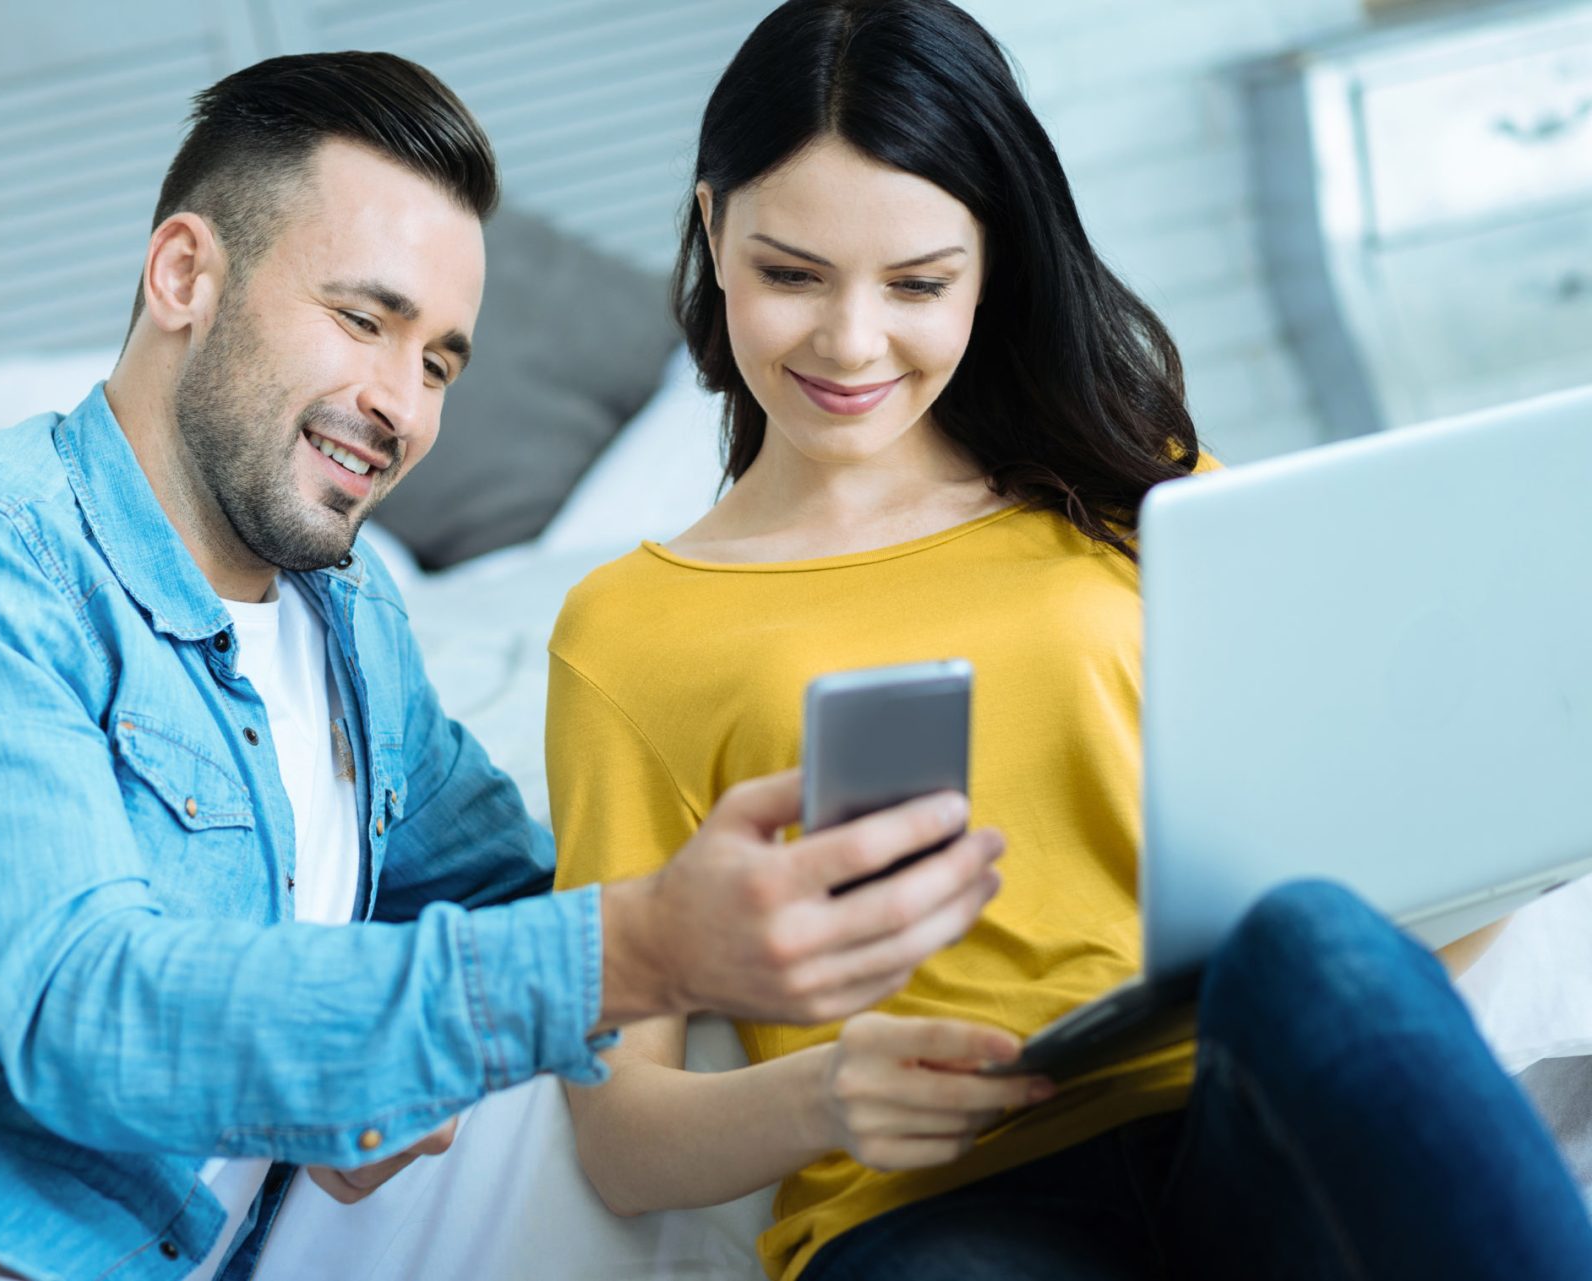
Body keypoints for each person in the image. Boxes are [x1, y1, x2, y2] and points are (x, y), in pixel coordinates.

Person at [0, 51, 1003, 1281]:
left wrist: (737, 858)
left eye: (438, 361)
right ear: (184, 276)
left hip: (172, 1237)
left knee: (638, 1047)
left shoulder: (345, 618)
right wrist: (635, 944)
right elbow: (92, 1007)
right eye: (365, 320)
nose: (403, 405)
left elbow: (504, 890)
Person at [548, 3, 1592, 1280]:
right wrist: (825, 1096)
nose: (852, 342)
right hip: (933, 1207)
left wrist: (1479, 847)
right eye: (791, 274)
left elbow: (1378, 873)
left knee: (1312, 935)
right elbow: (622, 1136)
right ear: (713, 233)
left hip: (1232, 1113)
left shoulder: (1144, 496)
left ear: (995, 264)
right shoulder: (630, 630)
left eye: (920, 283)